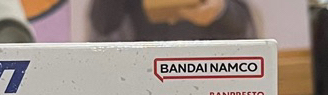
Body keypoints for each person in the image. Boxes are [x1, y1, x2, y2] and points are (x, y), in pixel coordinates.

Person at [88, 0, 255, 42]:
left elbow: (242, 23)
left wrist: (220, 10)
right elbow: (103, 24)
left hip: (204, 68)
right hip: (146, 68)